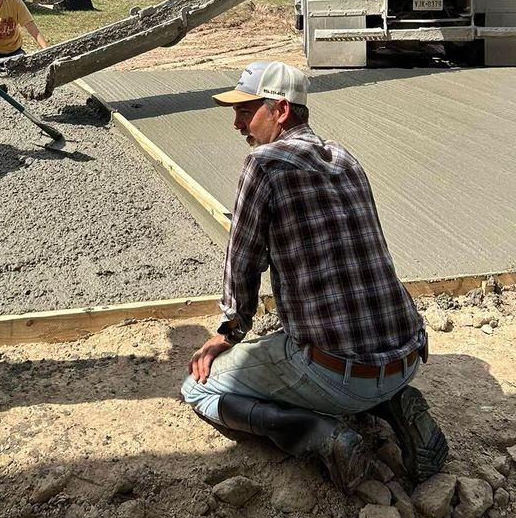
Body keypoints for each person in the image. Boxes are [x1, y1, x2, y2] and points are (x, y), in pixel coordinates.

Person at [181, 61, 448, 492]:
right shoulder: (346, 157)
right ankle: (394, 402)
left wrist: (227, 332)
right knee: (340, 358)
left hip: (340, 375)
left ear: (280, 110)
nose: (237, 124)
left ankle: (320, 434)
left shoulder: (264, 164)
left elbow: (244, 261)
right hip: (408, 356)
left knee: (198, 388)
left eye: (246, 112)